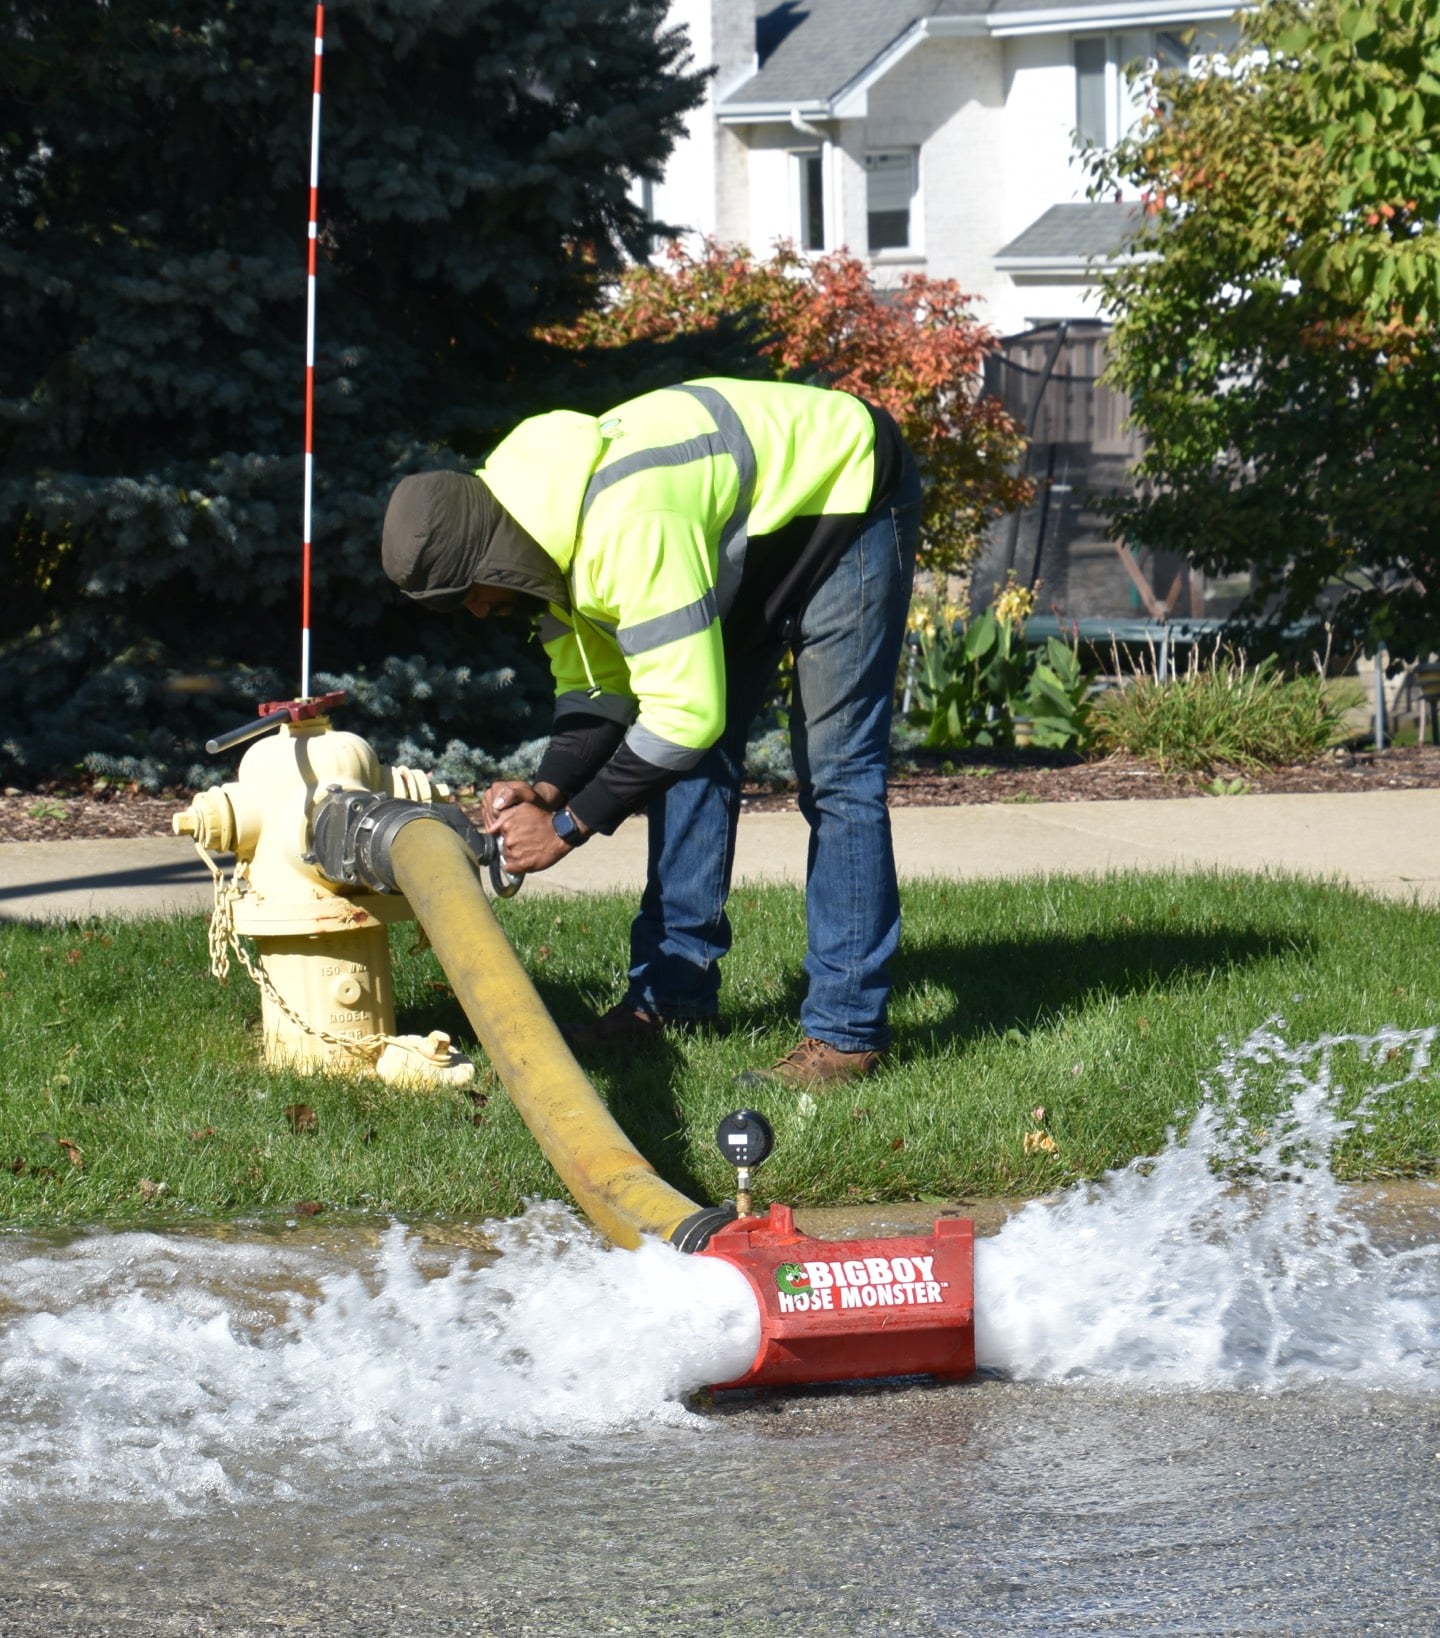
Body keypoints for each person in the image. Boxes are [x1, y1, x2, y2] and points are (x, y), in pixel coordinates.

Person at [382, 376, 920, 1087]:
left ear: (490, 558)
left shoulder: (624, 527)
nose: (479, 612)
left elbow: (684, 715)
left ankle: (846, 1036)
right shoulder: (543, 541)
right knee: (689, 760)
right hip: (750, 539)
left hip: (845, 492)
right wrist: (546, 788)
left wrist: (568, 827)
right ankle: (670, 1002)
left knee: (836, 771)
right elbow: (600, 690)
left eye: (471, 595)